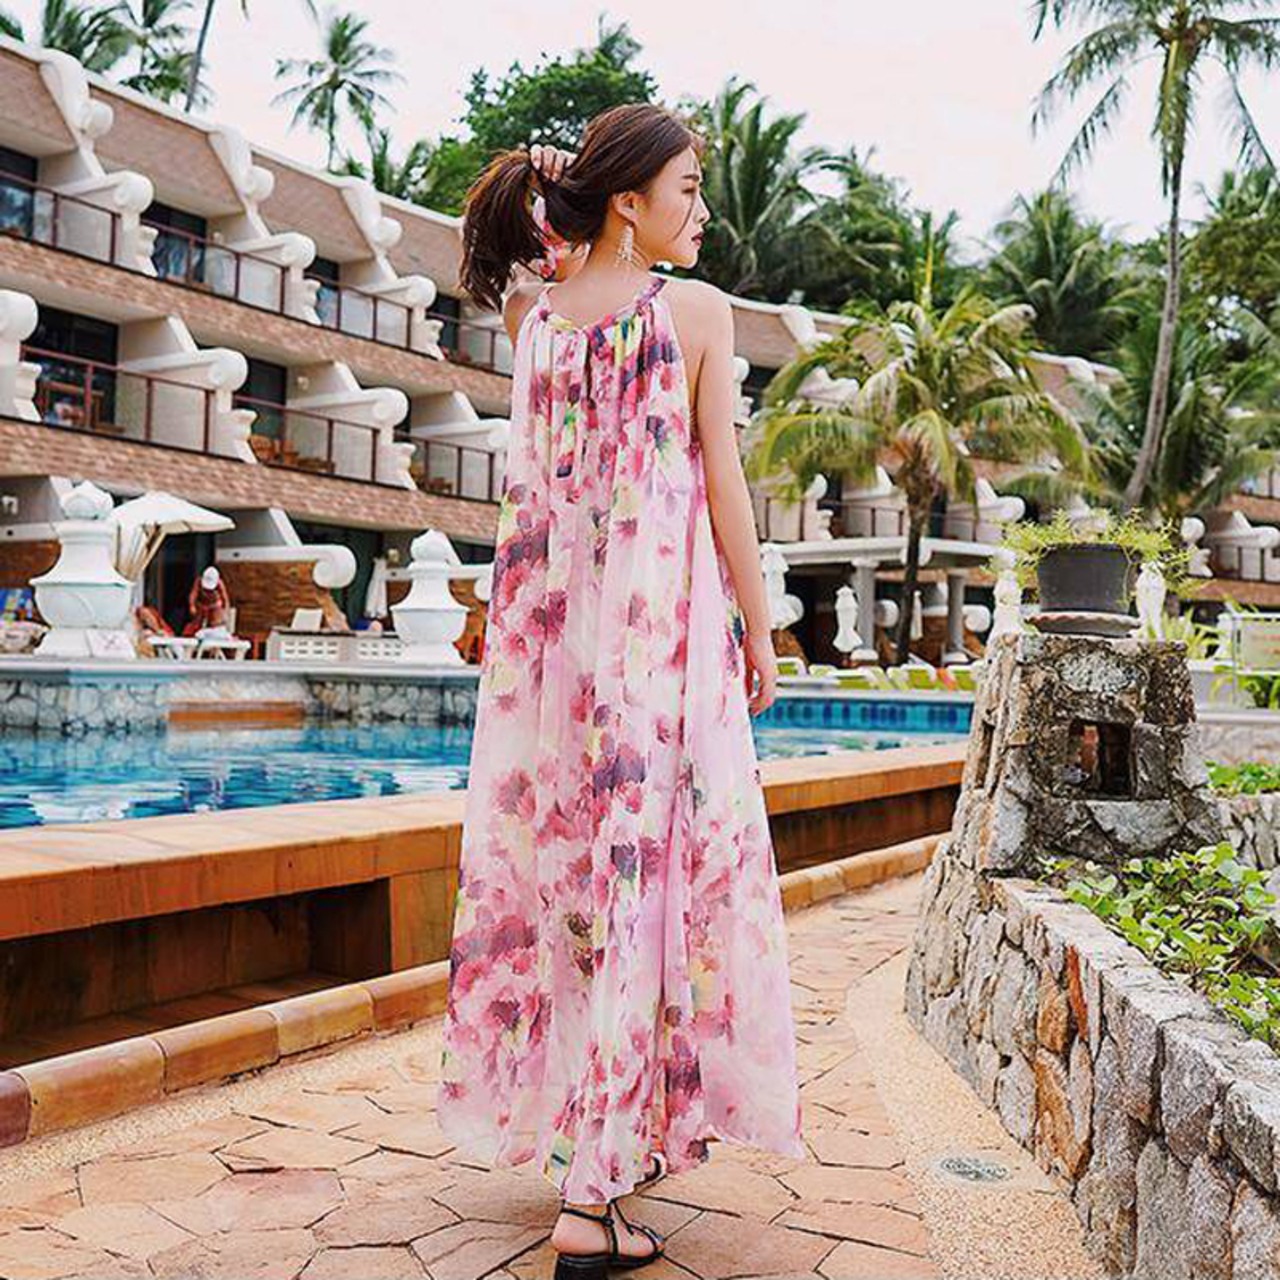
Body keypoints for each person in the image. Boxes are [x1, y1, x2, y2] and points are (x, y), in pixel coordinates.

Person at [436, 104, 804, 1279]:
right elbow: (722, 485)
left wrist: (569, 192)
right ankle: (590, 1201)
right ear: (631, 201)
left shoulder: (533, 322)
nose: (704, 211)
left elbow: (542, 267)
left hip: (553, 671)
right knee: (647, 888)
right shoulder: (696, 315)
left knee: (574, 894)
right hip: (655, 659)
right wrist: (759, 625)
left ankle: (587, 1147)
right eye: (686, 188)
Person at [182, 565, 231, 636]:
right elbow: (193, 594)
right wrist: (192, 606)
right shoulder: (198, 582)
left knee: (215, 622)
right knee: (197, 623)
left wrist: (225, 612)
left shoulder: (220, 584)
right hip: (202, 605)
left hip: (215, 605)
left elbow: (225, 599)